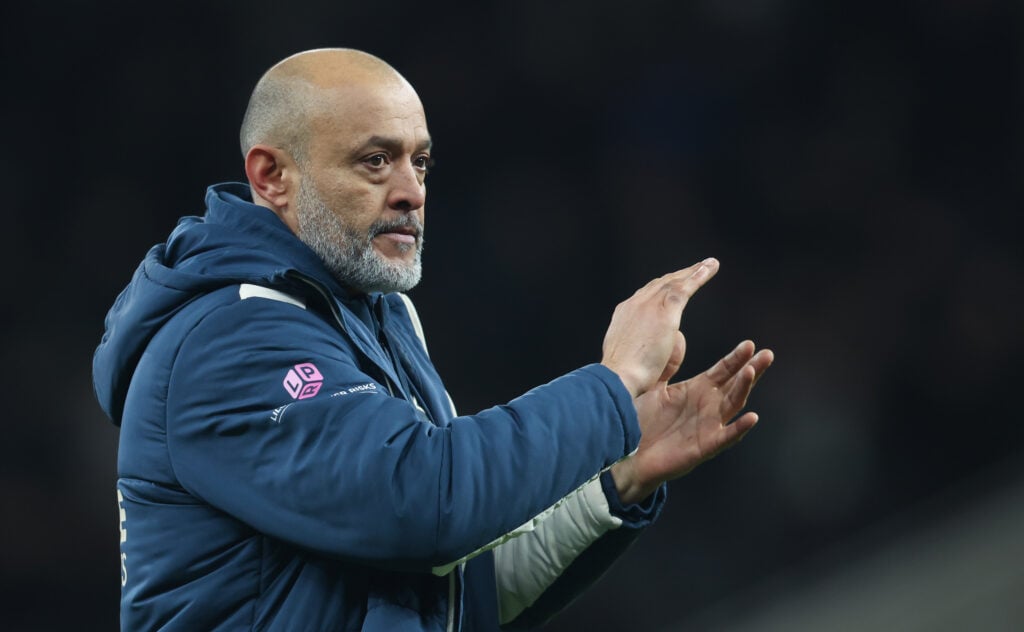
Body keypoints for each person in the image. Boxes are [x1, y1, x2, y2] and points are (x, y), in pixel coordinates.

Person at [92, 48, 773, 631]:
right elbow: (424, 501)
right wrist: (612, 385)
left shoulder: (375, 314)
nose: (410, 191)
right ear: (272, 176)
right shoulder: (226, 338)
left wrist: (619, 482)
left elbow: (451, 595)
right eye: (374, 160)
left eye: (420, 162)